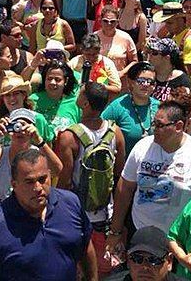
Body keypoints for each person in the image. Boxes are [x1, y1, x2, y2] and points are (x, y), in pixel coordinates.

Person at [0, 149, 98, 281]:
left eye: (42, 179)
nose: (38, 188)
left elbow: (85, 248)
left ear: (50, 176)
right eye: (29, 182)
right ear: (14, 185)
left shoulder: (70, 204)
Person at [105, 101, 191, 246]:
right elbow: (125, 188)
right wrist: (115, 231)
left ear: (178, 126)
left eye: (159, 125)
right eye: (154, 124)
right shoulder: (143, 147)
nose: (154, 130)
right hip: (140, 231)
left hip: (180, 239)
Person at [54, 82, 125, 276]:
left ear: (84, 103)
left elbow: (65, 181)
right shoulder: (115, 132)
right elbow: (120, 174)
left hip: (78, 213)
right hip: (105, 214)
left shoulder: (69, 136)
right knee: (101, 270)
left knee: (77, 267)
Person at [102, 61, 160, 152]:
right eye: (141, 81)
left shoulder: (159, 107)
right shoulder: (117, 106)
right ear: (131, 82)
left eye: (150, 82)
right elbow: (100, 130)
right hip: (126, 163)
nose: (146, 84)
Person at [29, 60, 81, 133]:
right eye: (49, 79)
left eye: (57, 79)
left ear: (66, 81)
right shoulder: (32, 100)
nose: (52, 83)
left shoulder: (76, 103)